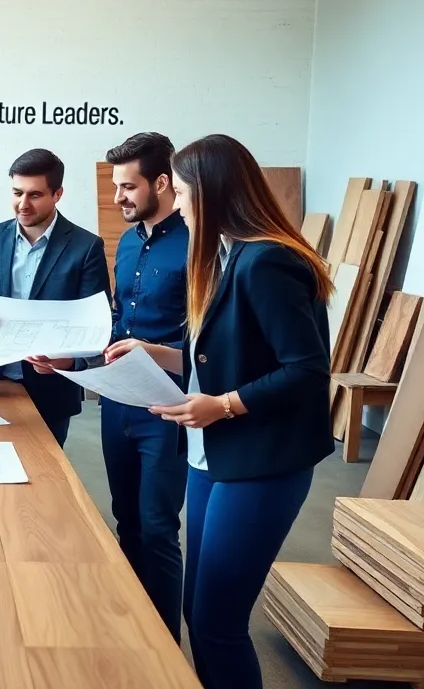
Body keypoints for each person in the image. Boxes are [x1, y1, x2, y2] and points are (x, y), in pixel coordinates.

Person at [103, 134, 334, 688]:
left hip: (261, 462)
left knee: (218, 624)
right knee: (200, 616)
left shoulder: (268, 261)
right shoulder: (230, 255)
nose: (177, 204)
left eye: (181, 193)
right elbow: (226, 355)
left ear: (212, 194)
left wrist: (224, 406)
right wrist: (153, 351)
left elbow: (307, 371)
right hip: (215, 457)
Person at [27, 132, 187, 641]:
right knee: (125, 521)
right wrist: (72, 357)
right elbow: (114, 326)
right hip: (118, 403)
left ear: (162, 183)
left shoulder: (196, 244)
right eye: (116, 186)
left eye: (127, 186)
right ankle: (131, 636)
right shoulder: (129, 243)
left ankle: (162, 647)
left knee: (159, 528)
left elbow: (206, 341)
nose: (117, 197)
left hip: (168, 407)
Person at [0, 148, 110, 446]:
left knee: (45, 481)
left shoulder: (86, 246)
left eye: (35, 195)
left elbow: (98, 323)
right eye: (17, 193)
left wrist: (69, 362)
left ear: (57, 194)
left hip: (51, 388)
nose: (22, 205)